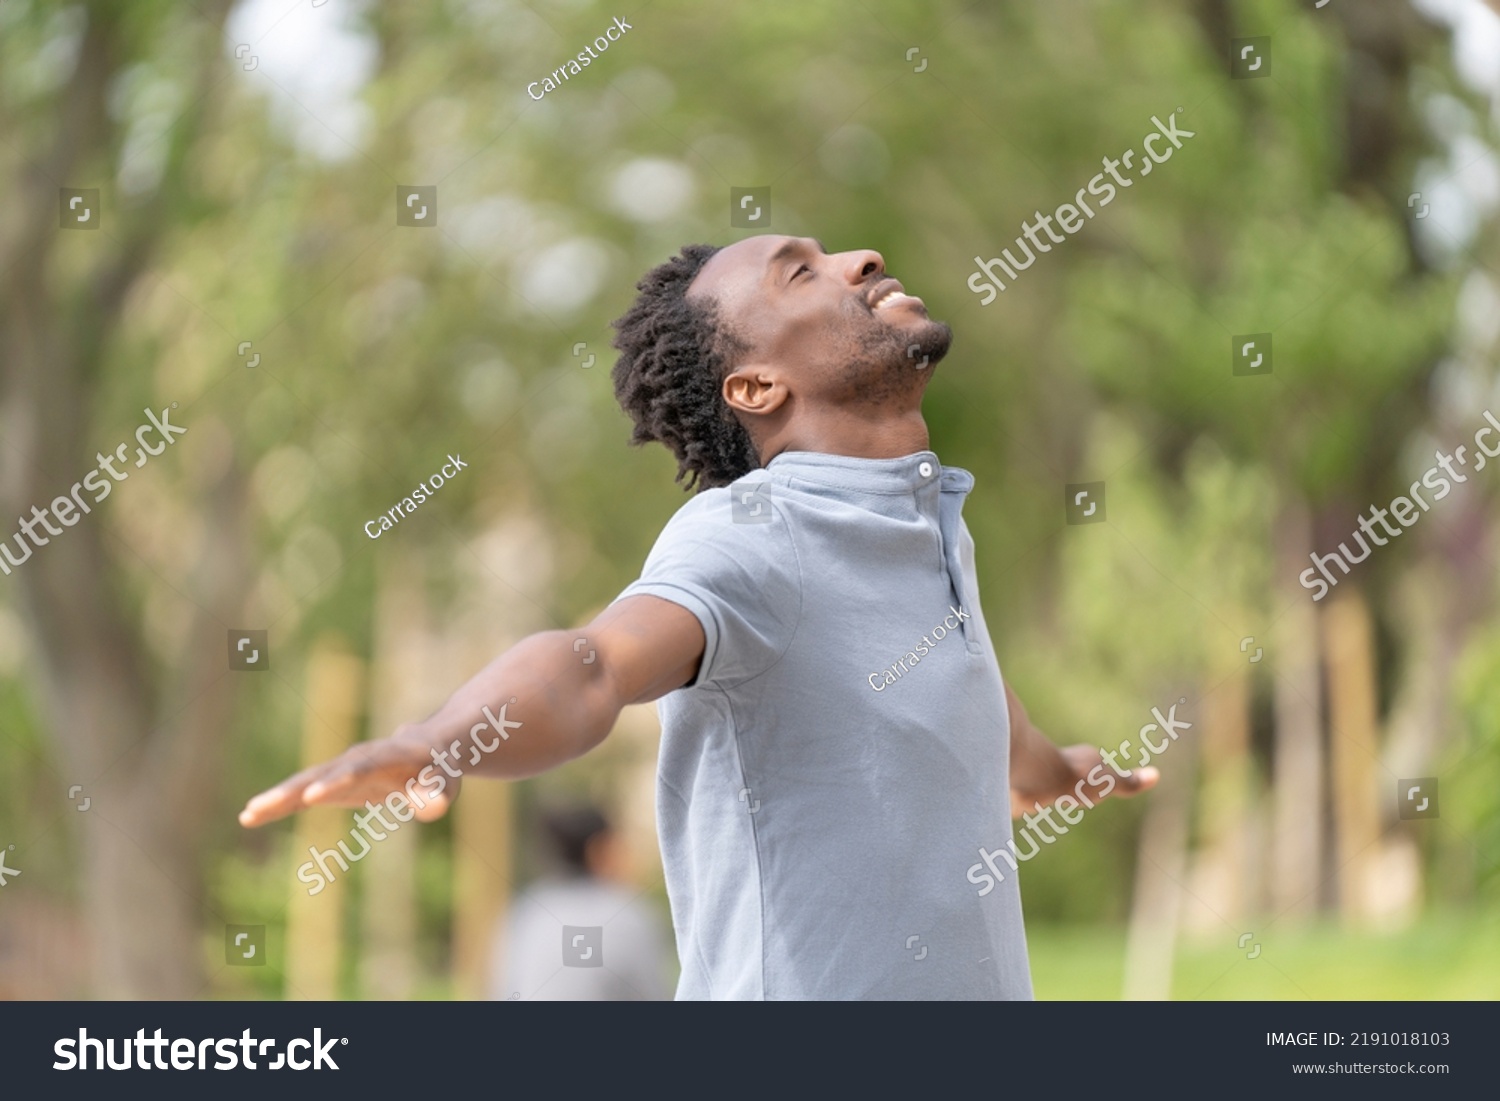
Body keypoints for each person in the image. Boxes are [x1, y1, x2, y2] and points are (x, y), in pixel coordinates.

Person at [240, 236, 1158, 999]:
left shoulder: (927, 531)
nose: (861, 257)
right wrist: (440, 737)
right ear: (757, 388)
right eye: (801, 271)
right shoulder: (753, 537)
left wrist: (1052, 768)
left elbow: (967, 696)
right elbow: (593, 665)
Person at [490, 803, 672, 1001]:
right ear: (598, 849)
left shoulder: (526, 910)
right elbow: (653, 994)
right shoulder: (629, 914)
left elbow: (502, 989)